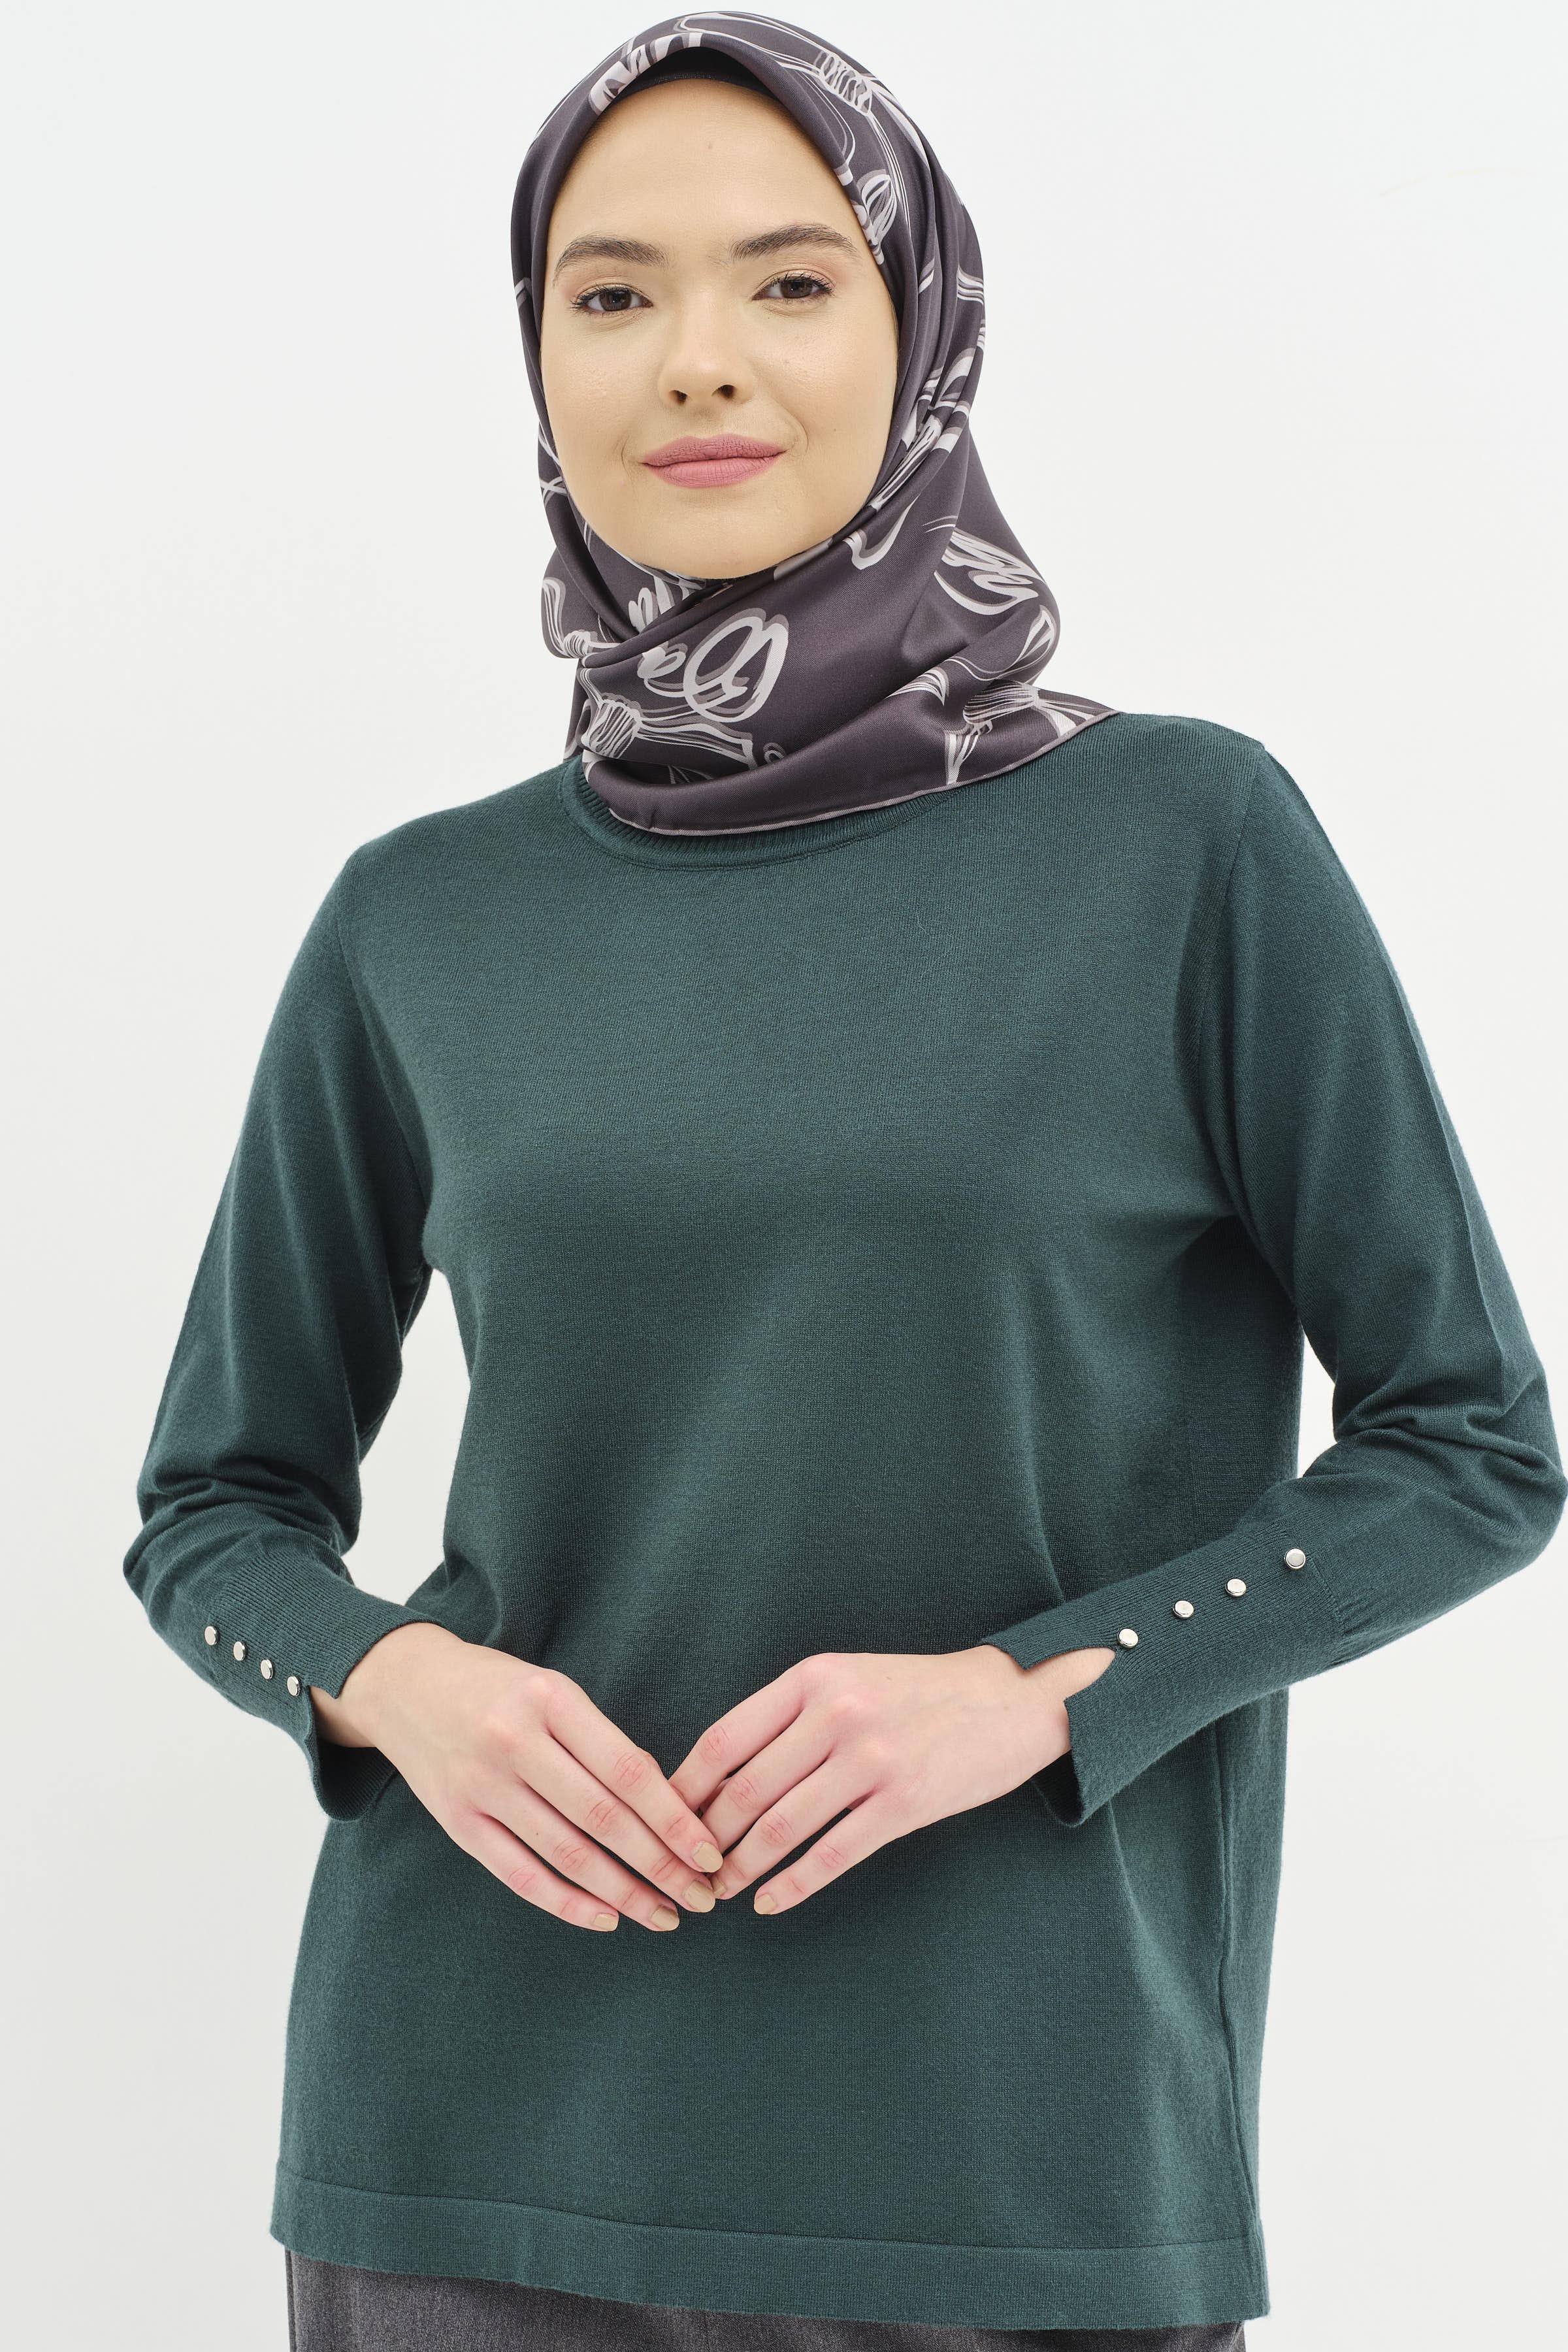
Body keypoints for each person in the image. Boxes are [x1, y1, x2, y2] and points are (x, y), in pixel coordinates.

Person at [122, 16, 1565, 2352]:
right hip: (462, 2147)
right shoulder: (423, 915)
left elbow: (1475, 1445)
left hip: (1011, 2159)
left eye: (790, 281)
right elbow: (214, 1506)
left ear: (923, 326)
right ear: (538, 354)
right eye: (611, 292)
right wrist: (397, 1682)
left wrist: (1034, 1687)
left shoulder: (1184, 844)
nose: (696, 358)